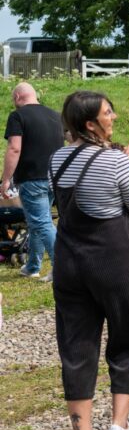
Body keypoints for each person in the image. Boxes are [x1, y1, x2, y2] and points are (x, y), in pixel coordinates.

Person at [49, 91, 129, 430]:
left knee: (76, 349)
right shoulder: (114, 161)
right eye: (107, 113)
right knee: (127, 340)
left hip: (68, 262)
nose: (114, 117)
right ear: (91, 124)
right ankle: (119, 426)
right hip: (112, 261)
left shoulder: (57, 159)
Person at [1, 82, 64, 281]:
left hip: (31, 178)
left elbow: (14, 149)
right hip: (54, 177)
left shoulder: (17, 116)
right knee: (36, 221)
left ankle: (61, 268)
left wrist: (5, 180)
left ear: (18, 97)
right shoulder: (55, 116)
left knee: (42, 222)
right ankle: (33, 266)